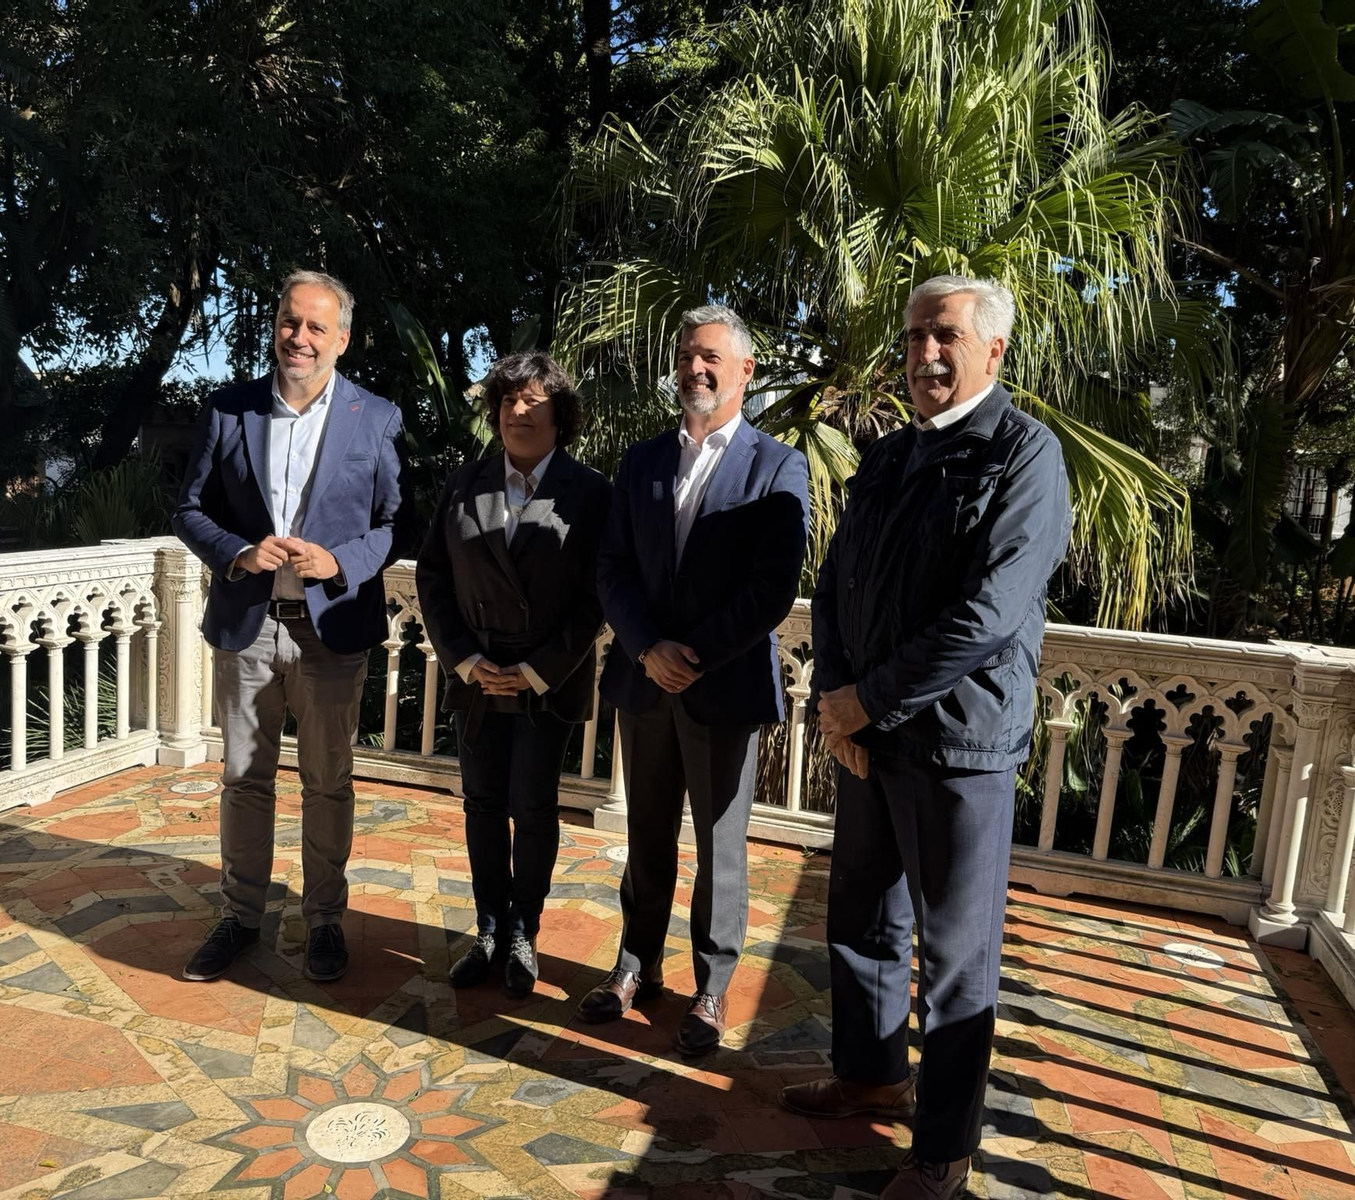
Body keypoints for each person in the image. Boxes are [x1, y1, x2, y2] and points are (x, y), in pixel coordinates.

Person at [781, 275, 1071, 1199]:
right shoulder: (891, 454)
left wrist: (871, 702)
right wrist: (836, 695)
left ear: (992, 349)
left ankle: (943, 1147)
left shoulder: (1025, 456)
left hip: (957, 747)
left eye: (943, 335)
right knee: (862, 917)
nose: (923, 354)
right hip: (870, 735)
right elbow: (836, 583)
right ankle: (871, 1071)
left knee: (955, 956)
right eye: (912, 338)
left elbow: (988, 612)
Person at [579, 304, 809, 1056]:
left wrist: (692, 654)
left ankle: (711, 987)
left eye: (709, 357)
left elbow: (772, 588)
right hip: (645, 683)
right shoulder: (643, 460)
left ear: (745, 370)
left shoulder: (778, 465)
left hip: (721, 686)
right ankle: (634, 966)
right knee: (646, 833)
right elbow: (609, 566)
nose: (694, 370)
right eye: (684, 357)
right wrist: (648, 649)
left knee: (720, 845)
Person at [172, 269, 406, 985]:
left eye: (314, 326)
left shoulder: (377, 417)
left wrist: (339, 561)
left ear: (342, 339)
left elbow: (395, 524)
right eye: (288, 321)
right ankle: (240, 917)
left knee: (329, 781)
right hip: (249, 624)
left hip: (330, 630)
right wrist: (239, 552)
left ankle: (325, 921)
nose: (298, 337)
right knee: (245, 779)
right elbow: (187, 509)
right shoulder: (228, 409)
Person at [416, 353, 612, 998]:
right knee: (481, 807)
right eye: (507, 401)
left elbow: (596, 596)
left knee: (532, 809)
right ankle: (489, 930)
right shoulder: (463, 484)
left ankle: (524, 931)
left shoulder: (591, 494)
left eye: (532, 401)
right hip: (475, 675)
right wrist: (467, 660)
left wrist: (533, 670)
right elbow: (434, 577)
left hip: (544, 680)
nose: (518, 412)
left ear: (561, 415)